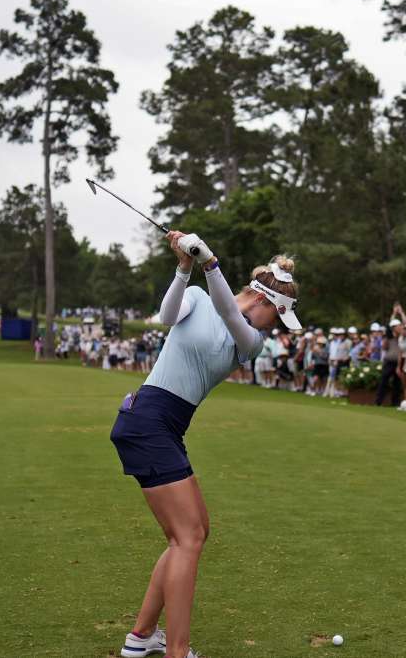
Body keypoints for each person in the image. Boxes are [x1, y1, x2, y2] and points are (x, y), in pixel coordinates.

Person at [110, 231, 301, 658]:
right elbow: (165, 315)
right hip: (147, 421)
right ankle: (176, 651)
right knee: (187, 538)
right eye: (279, 318)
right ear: (267, 303)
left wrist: (210, 261)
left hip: (164, 428)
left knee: (195, 532)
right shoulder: (197, 295)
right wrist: (185, 267)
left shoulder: (250, 339)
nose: (278, 330)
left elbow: (230, 313)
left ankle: (141, 637)